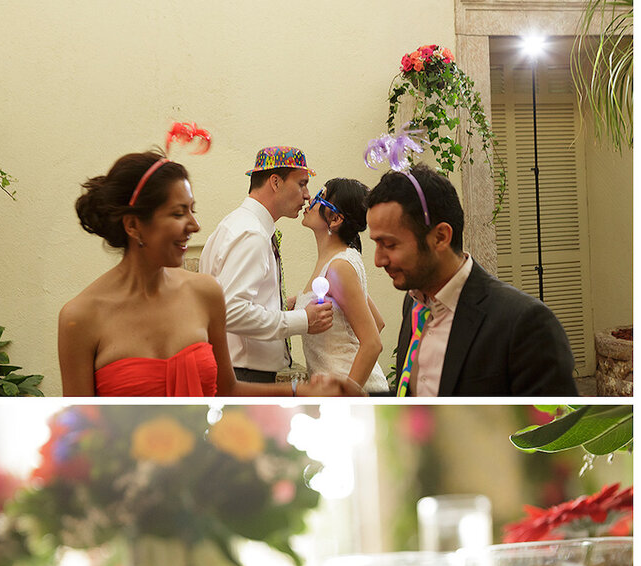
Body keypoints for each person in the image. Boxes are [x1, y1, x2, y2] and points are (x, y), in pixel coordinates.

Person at [366, 167, 578, 397]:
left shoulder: (524, 323)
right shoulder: (415, 304)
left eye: (389, 244)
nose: (378, 260)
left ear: (440, 237)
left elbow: (552, 429)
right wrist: (360, 400)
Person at [59, 148, 243, 396]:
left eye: (192, 210)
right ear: (133, 225)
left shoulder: (206, 292)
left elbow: (228, 392)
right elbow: (80, 425)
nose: (195, 225)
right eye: (178, 213)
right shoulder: (80, 318)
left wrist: (297, 391)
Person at [200, 145, 334, 384]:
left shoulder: (235, 224)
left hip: (237, 368)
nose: (307, 195)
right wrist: (303, 320)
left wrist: (280, 306)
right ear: (275, 182)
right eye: (302, 183)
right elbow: (231, 311)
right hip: (242, 375)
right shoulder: (252, 233)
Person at [300, 181, 388, 391]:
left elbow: (373, 343)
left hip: (351, 391)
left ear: (335, 218)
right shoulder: (339, 261)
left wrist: (346, 392)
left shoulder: (339, 267)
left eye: (320, 196)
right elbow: (377, 321)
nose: (310, 200)